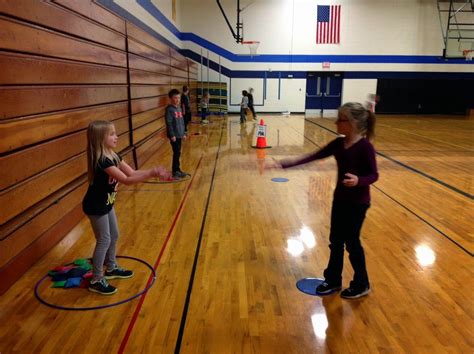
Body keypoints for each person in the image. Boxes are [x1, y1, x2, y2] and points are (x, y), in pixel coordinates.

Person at [272, 102, 378, 299]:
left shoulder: (365, 148)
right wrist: (287, 164)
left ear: (352, 124)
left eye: (341, 119)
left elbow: (374, 175)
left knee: (352, 242)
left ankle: (362, 283)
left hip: (358, 203)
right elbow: (315, 156)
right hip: (340, 200)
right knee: (335, 241)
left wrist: (359, 180)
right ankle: (333, 279)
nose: (336, 122)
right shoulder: (338, 144)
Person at [83, 120, 170, 295]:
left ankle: (111, 267)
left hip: (107, 203)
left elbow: (131, 173)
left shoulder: (113, 155)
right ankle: (97, 279)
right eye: (112, 134)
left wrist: (150, 172)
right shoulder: (102, 161)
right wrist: (152, 172)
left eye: (116, 133)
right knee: (104, 239)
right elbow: (127, 181)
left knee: (114, 235)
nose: (117, 137)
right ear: (101, 138)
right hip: (95, 206)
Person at [165, 88, 190, 179]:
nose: (177, 100)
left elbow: (182, 122)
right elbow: (169, 123)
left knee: (178, 152)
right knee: (176, 152)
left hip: (180, 134)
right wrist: (172, 135)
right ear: (171, 98)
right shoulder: (169, 109)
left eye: (179, 98)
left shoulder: (179, 108)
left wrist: (183, 133)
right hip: (174, 136)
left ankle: (178, 169)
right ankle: (175, 171)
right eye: (175, 98)